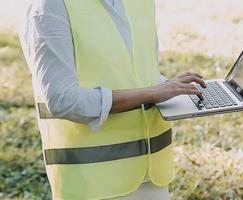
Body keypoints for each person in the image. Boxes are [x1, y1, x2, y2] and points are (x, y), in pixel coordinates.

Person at [18, 0, 206, 199]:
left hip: (153, 175)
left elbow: (140, 73)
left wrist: (172, 87)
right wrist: (150, 93)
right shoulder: (49, 6)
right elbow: (63, 100)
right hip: (93, 184)